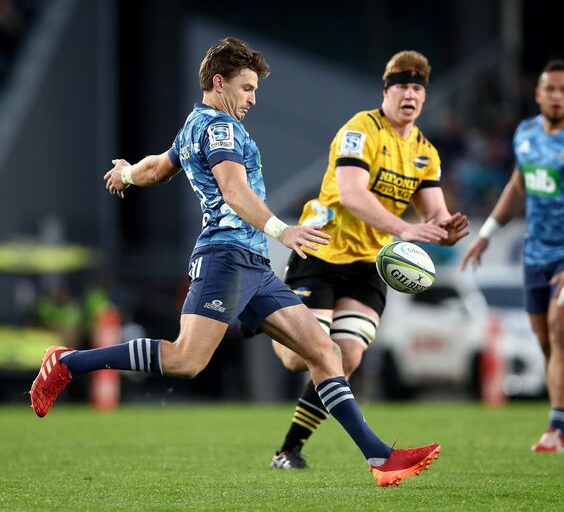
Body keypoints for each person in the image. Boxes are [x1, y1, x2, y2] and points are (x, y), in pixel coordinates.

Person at [28, 37, 440, 487]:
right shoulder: (221, 129)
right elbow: (235, 191)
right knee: (186, 360)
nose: (252, 99)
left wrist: (126, 173)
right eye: (246, 88)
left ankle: (380, 458)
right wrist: (284, 231)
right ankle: (69, 362)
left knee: (326, 352)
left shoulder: (193, 125)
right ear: (218, 82)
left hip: (254, 266)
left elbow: (158, 169)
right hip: (225, 257)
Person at [269, 50, 469, 469]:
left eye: (417, 88)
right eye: (402, 87)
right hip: (321, 249)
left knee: (346, 357)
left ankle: (289, 450)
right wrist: (406, 229)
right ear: (386, 91)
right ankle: (266, 313)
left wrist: (445, 228)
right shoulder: (360, 130)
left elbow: (434, 212)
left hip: (368, 262)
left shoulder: (425, 152)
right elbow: (351, 194)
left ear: (424, 96)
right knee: (295, 358)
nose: (410, 95)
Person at [461, 60, 564, 453]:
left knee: (563, 327)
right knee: (548, 341)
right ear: (538, 94)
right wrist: (487, 234)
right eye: (549, 89)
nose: (556, 96)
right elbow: (518, 187)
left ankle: (557, 429)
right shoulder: (526, 133)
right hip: (536, 253)